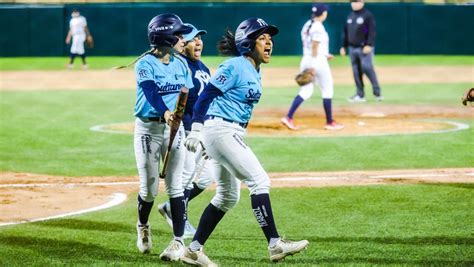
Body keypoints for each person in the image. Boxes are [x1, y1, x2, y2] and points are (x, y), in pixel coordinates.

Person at [182, 18, 309, 266]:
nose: (268, 41)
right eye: (262, 38)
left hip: (227, 132)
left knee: (228, 196)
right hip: (220, 130)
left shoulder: (253, 68)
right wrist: (196, 128)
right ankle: (275, 244)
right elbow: (206, 95)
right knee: (259, 180)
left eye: (269, 37)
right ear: (248, 43)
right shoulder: (235, 66)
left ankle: (193, 250)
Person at [132, 13, 194, 262]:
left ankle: (178, 241)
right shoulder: (145, 64)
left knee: (176, 185)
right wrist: (166, 112)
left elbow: (187, 98)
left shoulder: (181, 64)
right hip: (148, 129)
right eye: (180, 35)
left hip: (174, 129)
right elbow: (150, 93)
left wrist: (193, 127)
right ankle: (143, 225)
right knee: (148, 188)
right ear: (167, 37)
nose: (184, 39)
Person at [157, 23, 215, 239]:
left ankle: (171, 208)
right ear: (182, 44)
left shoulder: (203, 68)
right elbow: (179, 103)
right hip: (188, 131)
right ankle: (180, 222)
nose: (198, 42)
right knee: (186, 179)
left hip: (203, 132)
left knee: (205, 178)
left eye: (200, 38)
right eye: (192, 39)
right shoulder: (180, 67)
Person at [281, 3, 344, 131]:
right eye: (326, 11)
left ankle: (288, 117)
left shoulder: (307, 24)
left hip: (306, 59)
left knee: (306, 91)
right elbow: (314, 47)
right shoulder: (318, 27)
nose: (326, 13)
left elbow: (311, 47)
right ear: (323, 13)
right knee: (327, 89)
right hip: (317, 62)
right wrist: (315, 65)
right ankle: (330, 122)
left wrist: (325, 55)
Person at [340, 0, 383, 102]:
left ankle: (377, 92)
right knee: (356, 72)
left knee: (367, 67)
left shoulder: (367, 15)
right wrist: (343, 46)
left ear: (362, 2)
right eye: (352, 2)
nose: (354, 4)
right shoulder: (350, 16)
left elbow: (370, 31)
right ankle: (360, 95)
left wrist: (369, 44)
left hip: (363, 48)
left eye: (356, 2)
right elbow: (346, 32)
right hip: (352, 48)